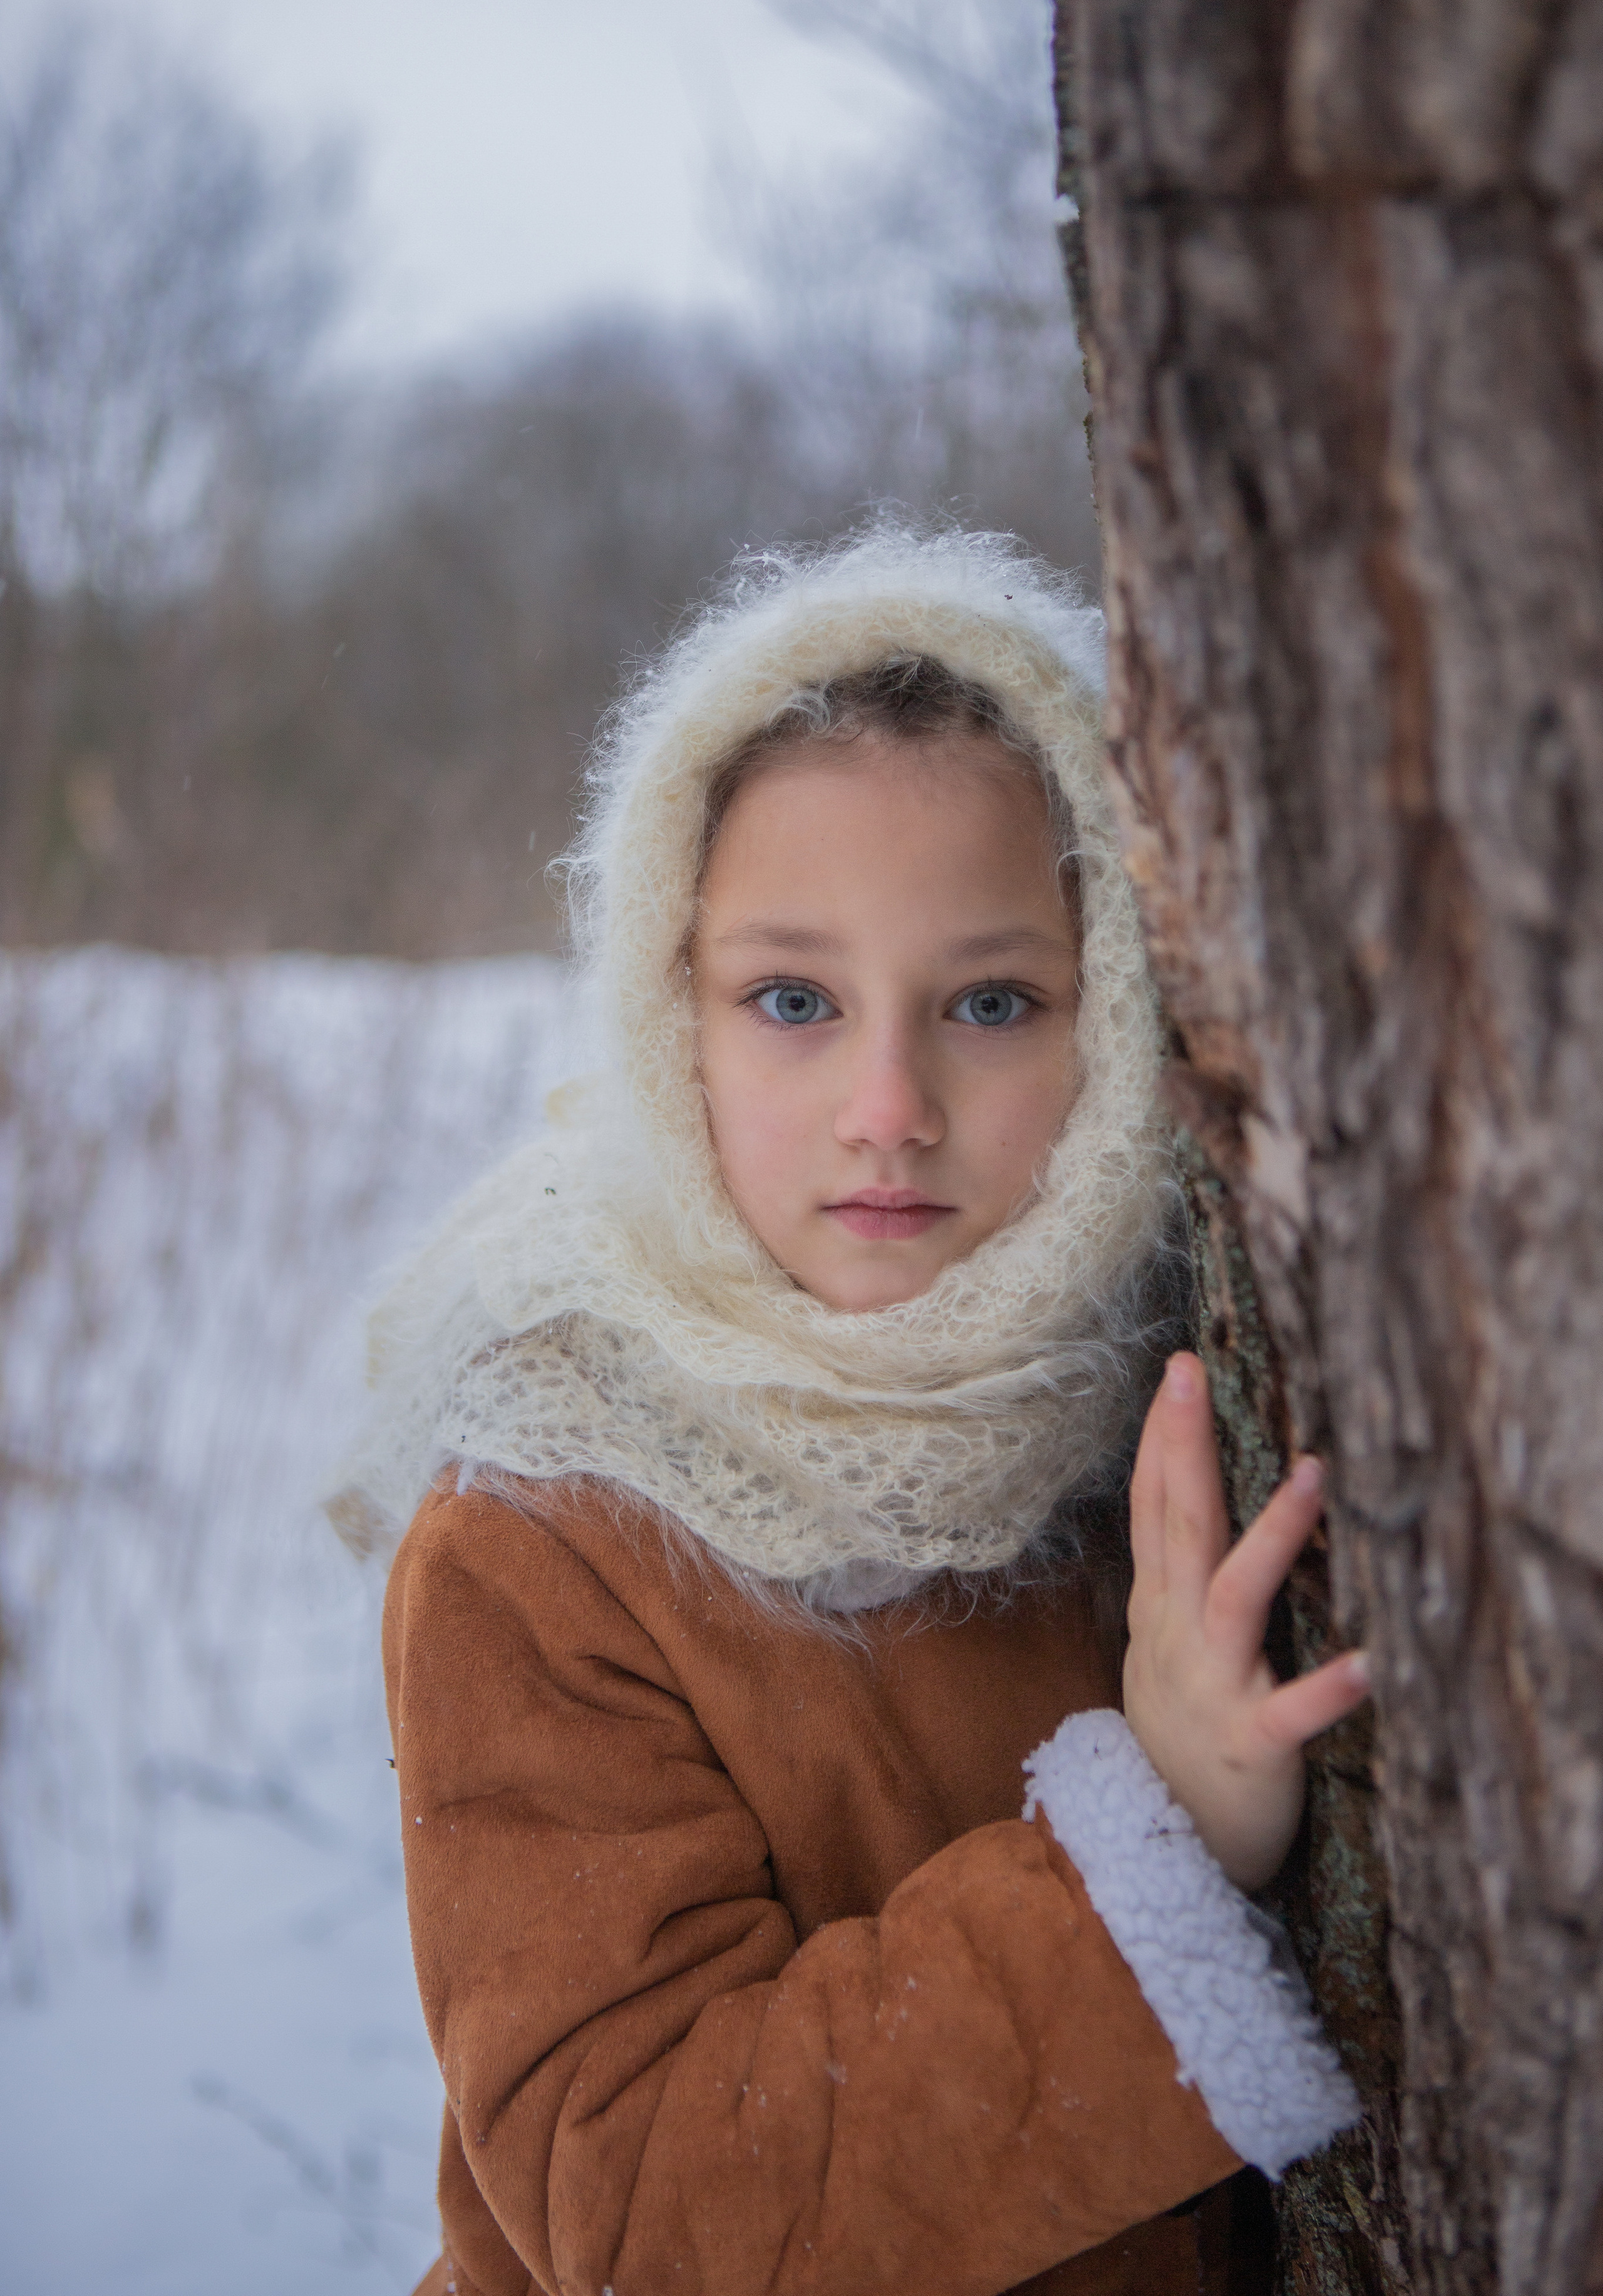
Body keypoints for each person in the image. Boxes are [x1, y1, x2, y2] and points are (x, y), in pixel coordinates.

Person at [347, 526, 1370, 2296]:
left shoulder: (1164, 1402)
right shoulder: (546, 1532)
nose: (888, 1106)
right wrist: (1158, 1864)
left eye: (991, 1001)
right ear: (674, 1018)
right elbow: (652, 2216)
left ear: (1115, 1020)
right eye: (794, 1000)